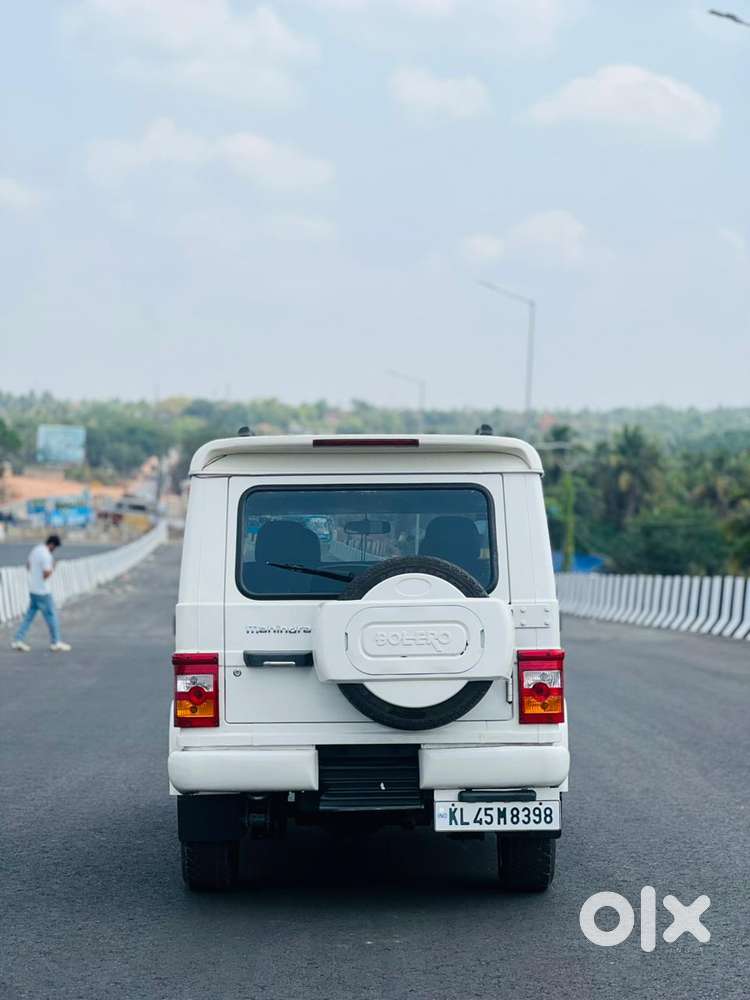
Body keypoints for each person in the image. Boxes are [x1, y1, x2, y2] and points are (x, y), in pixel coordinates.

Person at [11, 534, 72, 653]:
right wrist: (53, 566)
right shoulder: (46, 555)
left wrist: (35, 574)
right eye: (55, 547)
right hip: (43, 591)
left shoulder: (36, 549)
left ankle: (18, 639)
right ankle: (56, 642)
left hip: (33, 589)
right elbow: (46, 574)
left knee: (29, 617)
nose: (55, 549)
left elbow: (28, 566)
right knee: (52, 616)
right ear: (52, 545)